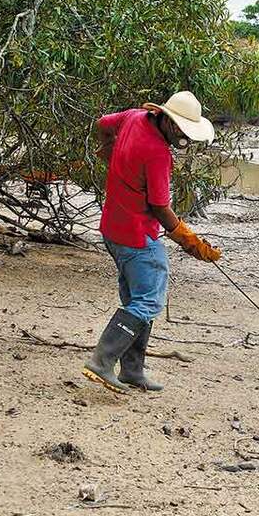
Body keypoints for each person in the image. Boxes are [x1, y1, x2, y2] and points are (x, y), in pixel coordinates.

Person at [82, 91, 220, 393]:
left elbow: (102, 123)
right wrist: (190, 241)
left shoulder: (132, 116)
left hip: (112, 229)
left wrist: (108, 148)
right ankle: (102, 362)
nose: (185, 137)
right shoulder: (158, 153)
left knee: (136, 300)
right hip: (137, 234)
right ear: (169, 122)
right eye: (183, 130)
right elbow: (160, 206)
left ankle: (133, 370)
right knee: (148, 301)